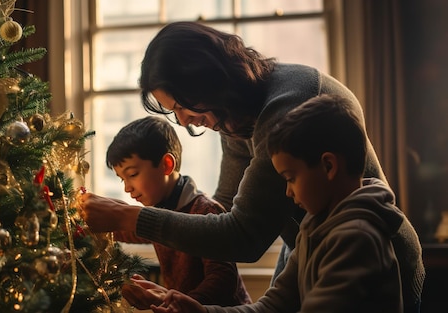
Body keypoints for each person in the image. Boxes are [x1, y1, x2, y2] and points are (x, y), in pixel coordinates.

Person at [79, 21, 421, 310]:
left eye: (183, 105)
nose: (183, 122)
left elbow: (244, 236)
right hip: (307, 253)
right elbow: (222, 212)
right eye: (173, 112)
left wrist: (131, 218)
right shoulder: (235, 118)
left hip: (376, 263)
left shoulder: (285, 110)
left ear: (206, 81)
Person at [147, 94, 425, 313]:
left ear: (328, 166)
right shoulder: (313, 228)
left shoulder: (356, 238)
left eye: (290, 179)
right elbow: (271, 307)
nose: (288, 194)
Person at [106, 116, 252, 309]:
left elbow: (222, 280)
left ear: (167, 165)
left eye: (132, 174)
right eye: (121, 179)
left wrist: (180, 303)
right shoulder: (158, 211)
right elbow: (130, 229)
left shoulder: (205, 211)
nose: (127, 188)